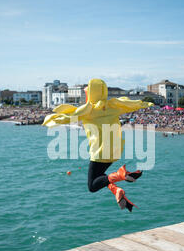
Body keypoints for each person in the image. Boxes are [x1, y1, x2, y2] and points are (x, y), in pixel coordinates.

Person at [43, 79, 153, 211]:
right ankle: (116, 190)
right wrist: (144, 103)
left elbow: (66, 118)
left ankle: (121, 175)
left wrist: (50, 119)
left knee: (92, 186)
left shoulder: (87, 110)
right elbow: (130, 103)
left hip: (100, 152)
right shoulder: (114, 105)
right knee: (101, 177)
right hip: (115, 151)